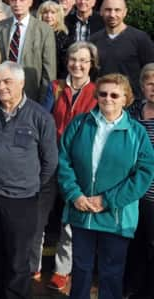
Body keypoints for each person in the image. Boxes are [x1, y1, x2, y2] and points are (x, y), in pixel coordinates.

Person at [58, 73, 154, 299]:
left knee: (111, 273)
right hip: (81, 211)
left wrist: (106, 200)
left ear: (126, 99)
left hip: (116, 217)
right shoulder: (79, 124)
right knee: (81, 269)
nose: (107, 99)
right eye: (102, 94)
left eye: (114, 94)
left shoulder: (137, 133)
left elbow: (144, 174)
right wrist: (75, 195)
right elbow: (63, 161)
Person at [0, 61, 58, 299]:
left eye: (7, 82)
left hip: (21, 199)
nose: (1, 87)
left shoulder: (40, 117)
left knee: (18, 255)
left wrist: (28, 183)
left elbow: (50, 162)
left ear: (21, 83)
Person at [35, 41, 100, 291]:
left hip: (79, 165)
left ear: (91, 64)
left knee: (71, 220)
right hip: (51, 160)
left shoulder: (97, 91)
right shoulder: (56, 86)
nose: (78, 65)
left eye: (84, 60)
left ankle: (63, 271)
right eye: (74, 59)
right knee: (40, 214)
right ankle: (33, 264)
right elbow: (43, 118)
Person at [0, 0, 57, 103]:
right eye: (13, 0)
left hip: (31, 95)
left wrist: (44, 101)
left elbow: (49, 71)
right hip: (3, 94)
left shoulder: (44, 30)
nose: (17, 4)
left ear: (30, 1)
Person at [125, 64, 154, 298]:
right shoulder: (134, 111)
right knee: (133, 243)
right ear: (142, 86)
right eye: (149, 83)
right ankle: (131, 288)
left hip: (153, 193)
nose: (153, 88)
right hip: (133, 192)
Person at [91, 0, 154, 100]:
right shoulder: (93, 40)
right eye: (108, 10)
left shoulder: (141, 39)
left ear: (125, 12)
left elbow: (150, 71)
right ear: (101, 12)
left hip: (132, 102)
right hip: (102, 101)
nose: (112, 14)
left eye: (117, 10)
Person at [38, 0, 71, 79]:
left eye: (53, 13)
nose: (48, 16)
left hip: (56, 79)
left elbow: (65, 65)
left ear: (58, 16)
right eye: (45, 12)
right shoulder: (35, 34)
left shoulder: (63, 37)